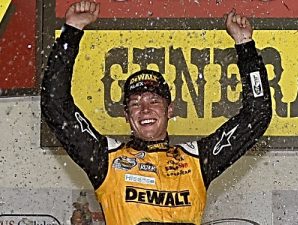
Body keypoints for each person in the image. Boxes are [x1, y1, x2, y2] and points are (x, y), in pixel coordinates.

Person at [41, 1, 272, 224]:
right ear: (126, 115)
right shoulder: (106, 160)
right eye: (135, 103)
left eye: (154, 101)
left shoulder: (197, 161)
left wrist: (245, 45)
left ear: (170, 110)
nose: (144, 109)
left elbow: (257, 115)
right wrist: (71, 32)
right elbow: (55, 105)